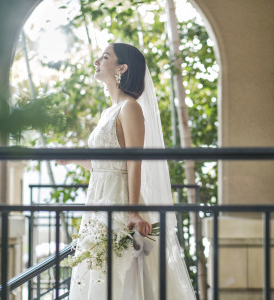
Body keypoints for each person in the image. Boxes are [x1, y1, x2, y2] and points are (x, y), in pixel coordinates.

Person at [67, 43, 196, 299]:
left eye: (105, 57)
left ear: (122, 68)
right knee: (97, 277)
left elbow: (134, 161)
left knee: (121, 278)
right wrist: (72, 159)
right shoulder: (108, 112)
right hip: (98, 201)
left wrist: (133, 211)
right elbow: (104, 165)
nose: (97, 62)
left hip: (120, 203)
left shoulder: (130, 107)